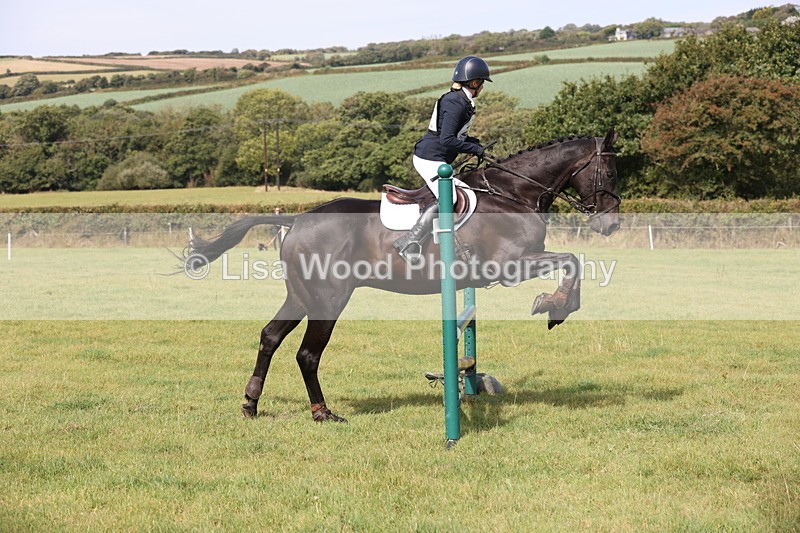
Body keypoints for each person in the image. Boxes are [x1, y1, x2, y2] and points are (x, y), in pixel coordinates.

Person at [393, 55, 492, 261]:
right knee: (450, 198)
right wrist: (473, 148)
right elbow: (447, 139)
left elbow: (455, 135)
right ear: (474, 83)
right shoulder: (455, 102)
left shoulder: (462, 100)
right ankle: (409, 241)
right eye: (482, 82)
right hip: (429, 157)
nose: (483, 86)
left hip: (439, 158)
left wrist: (474, 143)